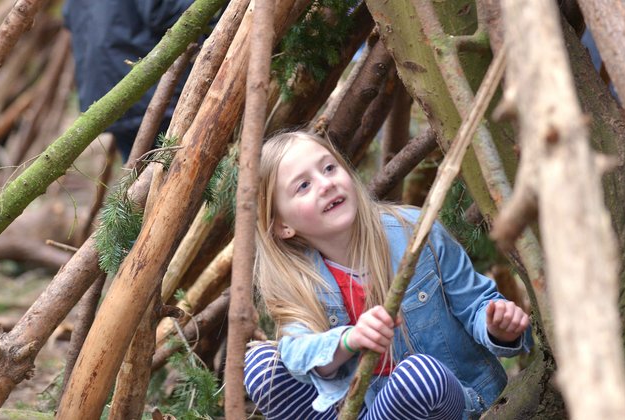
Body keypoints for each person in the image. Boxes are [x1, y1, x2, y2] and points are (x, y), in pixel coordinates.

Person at [245, 131, 533, 419]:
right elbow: (297, 353)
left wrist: (497, 327)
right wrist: (349, 339)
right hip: (369, 410)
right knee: (262, 367)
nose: (326, 184)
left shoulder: (416, 233)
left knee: (418, 376)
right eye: (303, 186)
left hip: (452, 400)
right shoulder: (299, 281)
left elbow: (475, 305)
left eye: (329, 168)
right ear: (283, 226)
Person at [62, 0, 195, 162]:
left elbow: (69, 17)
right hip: (149, 93)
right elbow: (163, 12)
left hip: (104, 98)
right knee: (176, 167)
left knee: (141, 173)